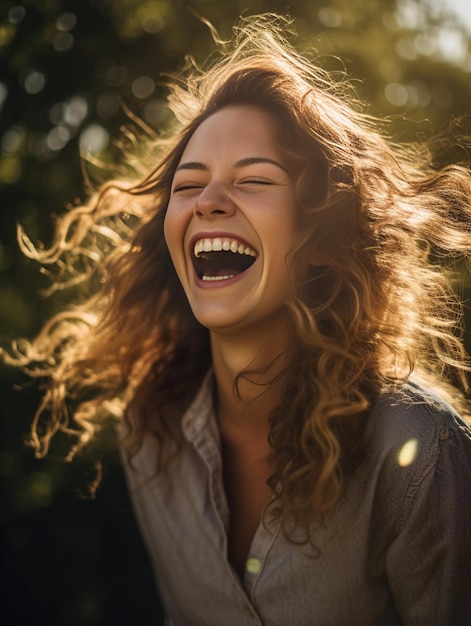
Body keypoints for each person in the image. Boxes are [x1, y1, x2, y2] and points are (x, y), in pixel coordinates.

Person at [3, 13, 471, 626]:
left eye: (253, 180)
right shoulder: (151, 435)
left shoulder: (418, 451)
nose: (208, 201)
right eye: (188, 184)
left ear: (325, 237)